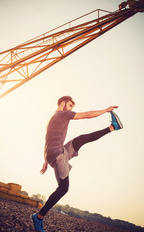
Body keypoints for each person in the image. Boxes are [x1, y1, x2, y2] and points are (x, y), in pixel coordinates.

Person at [32, 96, 123, 232]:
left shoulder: (52, 118)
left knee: (80, 140)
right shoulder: (62, 114)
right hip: (57, 154)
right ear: (63, 103)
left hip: (57, 151)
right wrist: (106, 110)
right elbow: (87, 115)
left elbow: (46, 142)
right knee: (63, 188)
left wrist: (45, 161)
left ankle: (112, 127)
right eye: (70, 106)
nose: (71, 110)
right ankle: (39, 217)